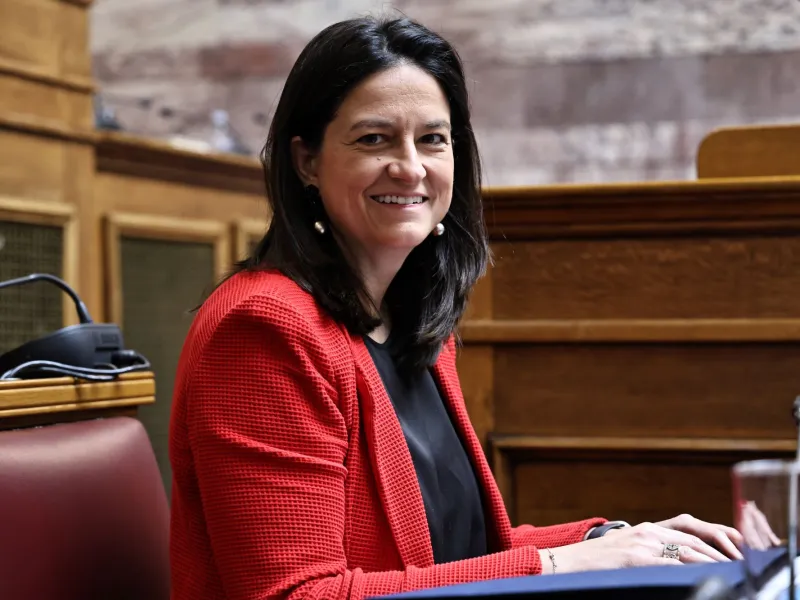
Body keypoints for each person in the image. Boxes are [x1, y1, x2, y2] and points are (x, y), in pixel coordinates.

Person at [169, 15, 744, 600]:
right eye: (373, 139)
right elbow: (297, 594)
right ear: (306, 162)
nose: (410, 168)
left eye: (432, 139)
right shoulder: (263, 328)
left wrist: (615, 539)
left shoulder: (413, 321)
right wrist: (558, 564)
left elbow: (459, 555)